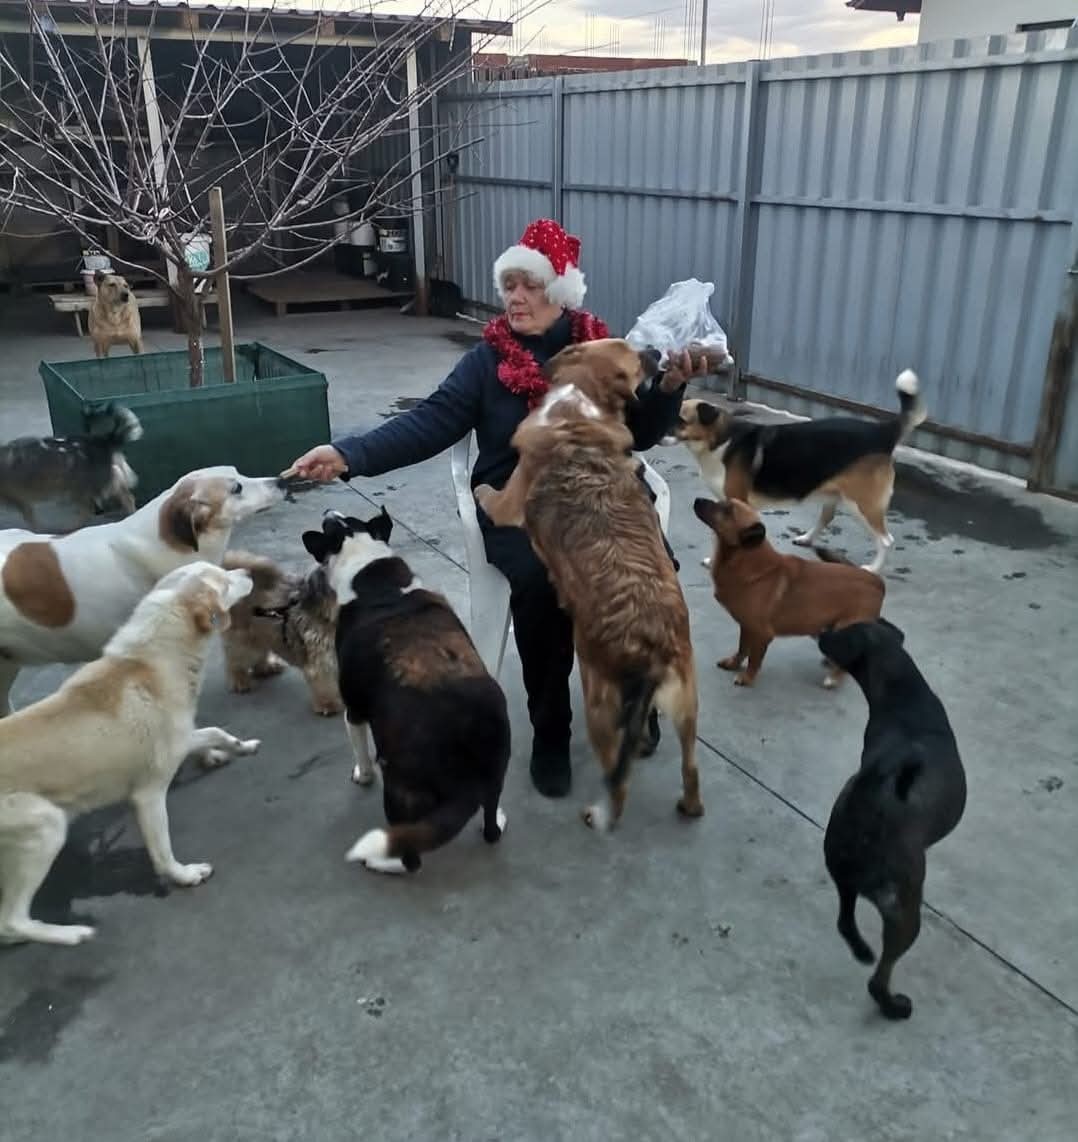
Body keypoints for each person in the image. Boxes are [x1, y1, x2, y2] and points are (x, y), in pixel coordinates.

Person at [289, 218, 704, 799]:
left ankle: (636, 697)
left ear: (560, 293)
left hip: (601, 492)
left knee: (646, 579)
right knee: (541, 586)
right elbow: (430, 422)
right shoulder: (487, 363)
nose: (515, 297)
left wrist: (668, 390)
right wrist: (348, 454)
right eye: (509, 285)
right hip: (519, 500)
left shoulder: (599, 348)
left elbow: (640, 433)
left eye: (529, 285)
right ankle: (552, 731)